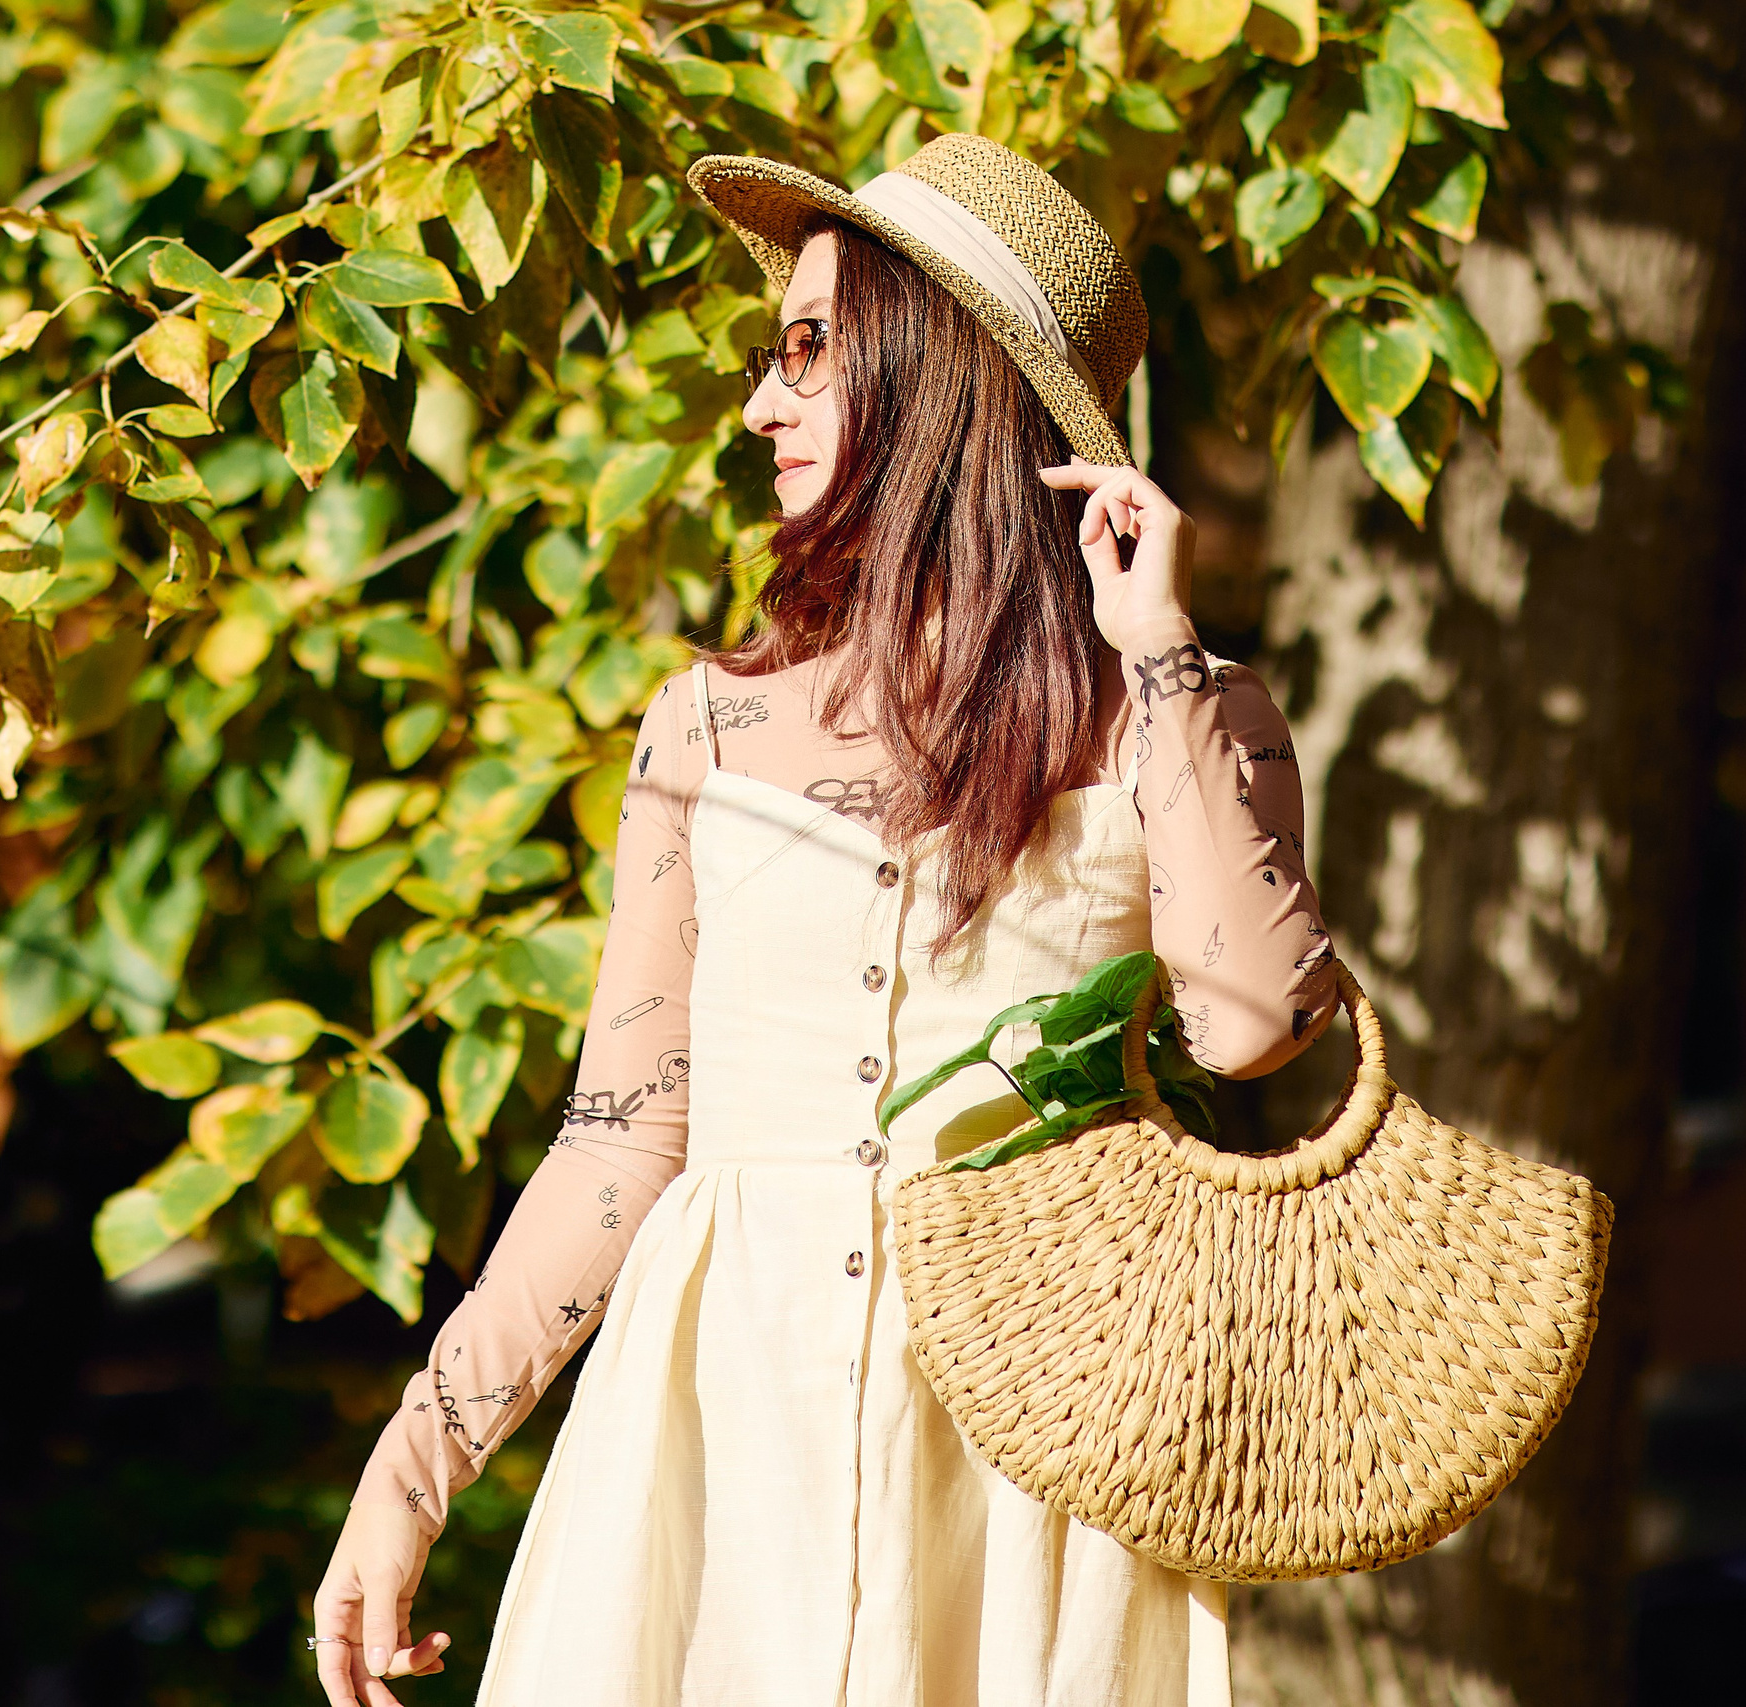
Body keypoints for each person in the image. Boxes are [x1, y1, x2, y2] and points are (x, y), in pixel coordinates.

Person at [308, 133, 1338, 1707]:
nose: (758, 403)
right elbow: (618, 1139)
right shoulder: (704, 727)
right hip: (723, 1452)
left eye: (805, 348)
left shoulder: (1171, 712)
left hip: (1026, 1478)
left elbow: (1255, 1029)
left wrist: (1162, 653)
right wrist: (410, 1472)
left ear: (939, 374)